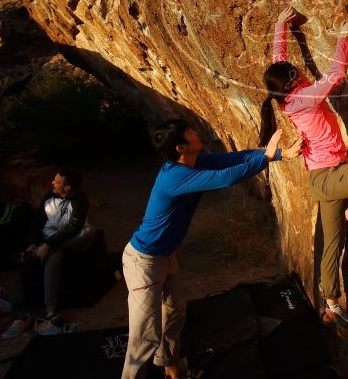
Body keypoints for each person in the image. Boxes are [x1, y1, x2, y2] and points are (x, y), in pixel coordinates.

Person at [258, 6, 348, 329]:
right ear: (294, 79)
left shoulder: (285, 94)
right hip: (330, 177)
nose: (297, 66)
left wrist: (282, 26)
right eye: (295, 69)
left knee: (331, 243)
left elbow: (278, 58)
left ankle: (331, 303)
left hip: (321, 176)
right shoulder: (304, 97)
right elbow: (335, 76)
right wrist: (344, 40)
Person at [122, 119, 302, 379]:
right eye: (189, 133)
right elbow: (226, 178)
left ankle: (170, 367)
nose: (195, 132)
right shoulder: (175, 175)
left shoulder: (196, 161)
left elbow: (235, 159)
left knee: (174, 312)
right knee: (145, 335)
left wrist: (279, 155)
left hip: (164, 255)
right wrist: (266, 159)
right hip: (144, 261)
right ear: (181, 147)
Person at [25, 169, 95, 325]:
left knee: (89, 231)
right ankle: (50, 308)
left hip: (71, 240)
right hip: (51, 239)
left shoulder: (80, 199)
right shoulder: (48, 197)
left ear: (67, 188)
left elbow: (73, 227)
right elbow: (38, 221)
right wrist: (33, 243)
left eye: (56, 181)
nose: (52, 183)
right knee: (55, 256)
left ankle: (46, 251)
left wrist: (47, 246)